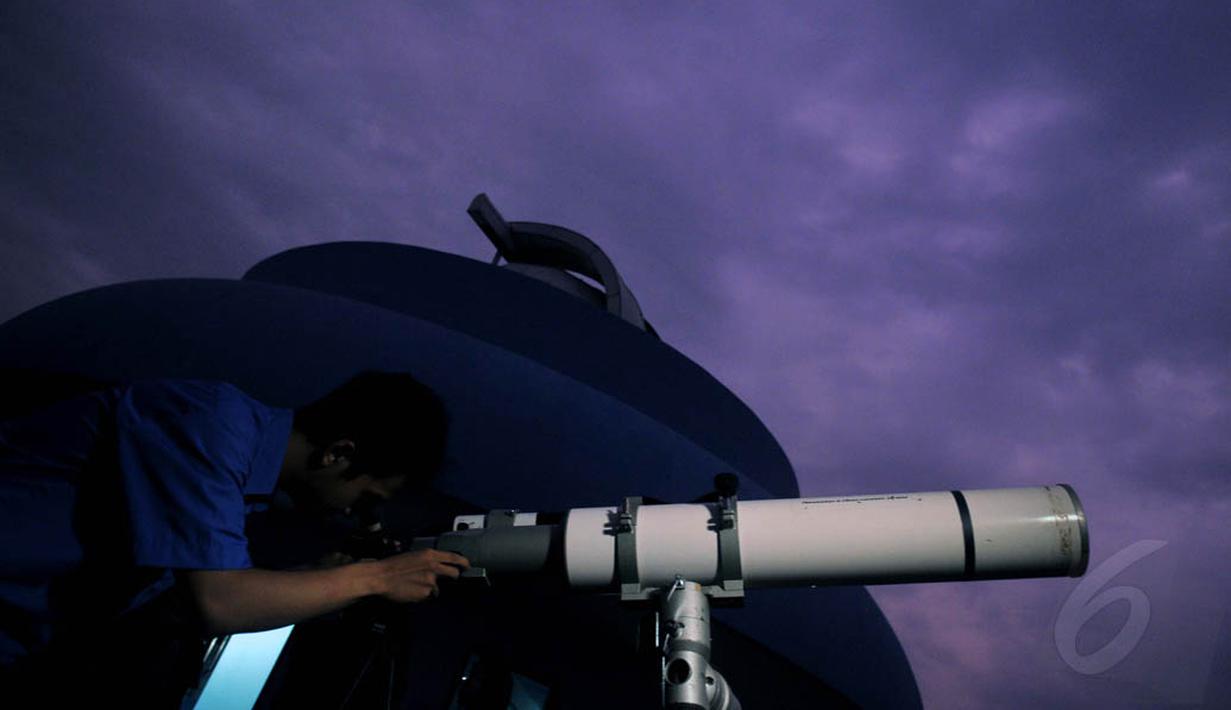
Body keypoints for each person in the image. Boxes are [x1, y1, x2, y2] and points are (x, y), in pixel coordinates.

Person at [0, 371, 468, 703]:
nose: (353, 512)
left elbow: (181, 601)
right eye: (366, 496)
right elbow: (221, 602)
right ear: (339, 454)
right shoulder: (210, 424)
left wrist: (313, 578)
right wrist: (377, 577)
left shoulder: (243, 485)